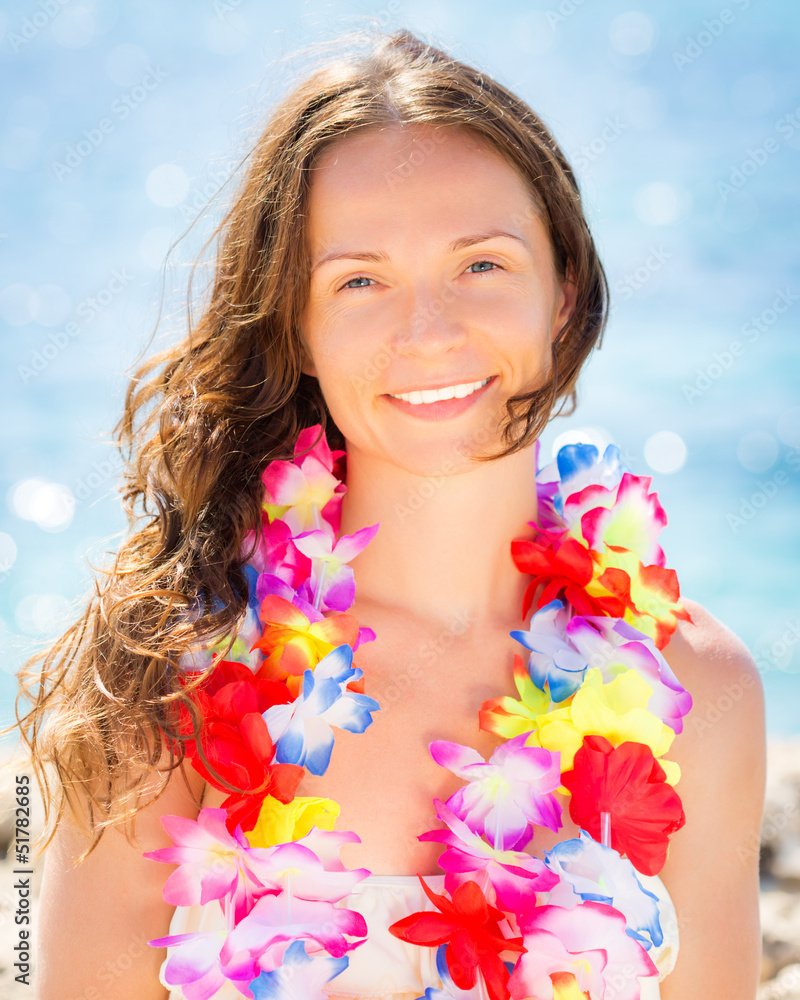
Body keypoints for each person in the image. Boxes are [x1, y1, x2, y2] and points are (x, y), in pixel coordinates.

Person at [12, 27, 765, 1000]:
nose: (428, 331)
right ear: (297, 325)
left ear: (564, 296)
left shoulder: (697, 692)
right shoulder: (166, 683)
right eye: (360, 280)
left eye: (482, 264)